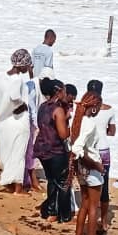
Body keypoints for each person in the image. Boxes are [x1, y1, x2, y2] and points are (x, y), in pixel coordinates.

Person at [0, 49, 33, 195]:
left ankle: (10, 183)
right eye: (27, 64)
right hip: (19, 121)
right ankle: (18, 188)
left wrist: (5, 109)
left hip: (7, 122)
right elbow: (14, 97)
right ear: (22, 64)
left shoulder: (1, 77)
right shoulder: (17, 80)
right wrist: (22, 105)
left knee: (9, 152)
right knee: (19, 154)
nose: (28, 67)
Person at [70, 90, 105, 235]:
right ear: (94, 107)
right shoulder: (90, 123)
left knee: (84, 205)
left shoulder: (78, 120)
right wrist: (96, 165)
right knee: (93, 208)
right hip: (91, 168)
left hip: (81, 169)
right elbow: (77, 147)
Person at [35, 78, 72, 222]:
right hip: (55, 150)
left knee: (52, 180)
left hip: (42, 148)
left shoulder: (43, 106)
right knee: (63, 182)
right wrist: (72, 128)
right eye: (64, 91)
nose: (65, 94)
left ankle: (51, 212)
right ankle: (64, 215)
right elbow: (63, 134)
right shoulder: (58, 110)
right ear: (58, 92)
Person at [87, 79, 117, 233]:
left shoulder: (83, 108)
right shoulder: (109, 110)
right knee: (104, 185)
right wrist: (101, 130)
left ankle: (87, 217)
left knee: (87, 184)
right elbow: (112, 132)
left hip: (89, 149)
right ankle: (104, 221)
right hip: (103, 149)